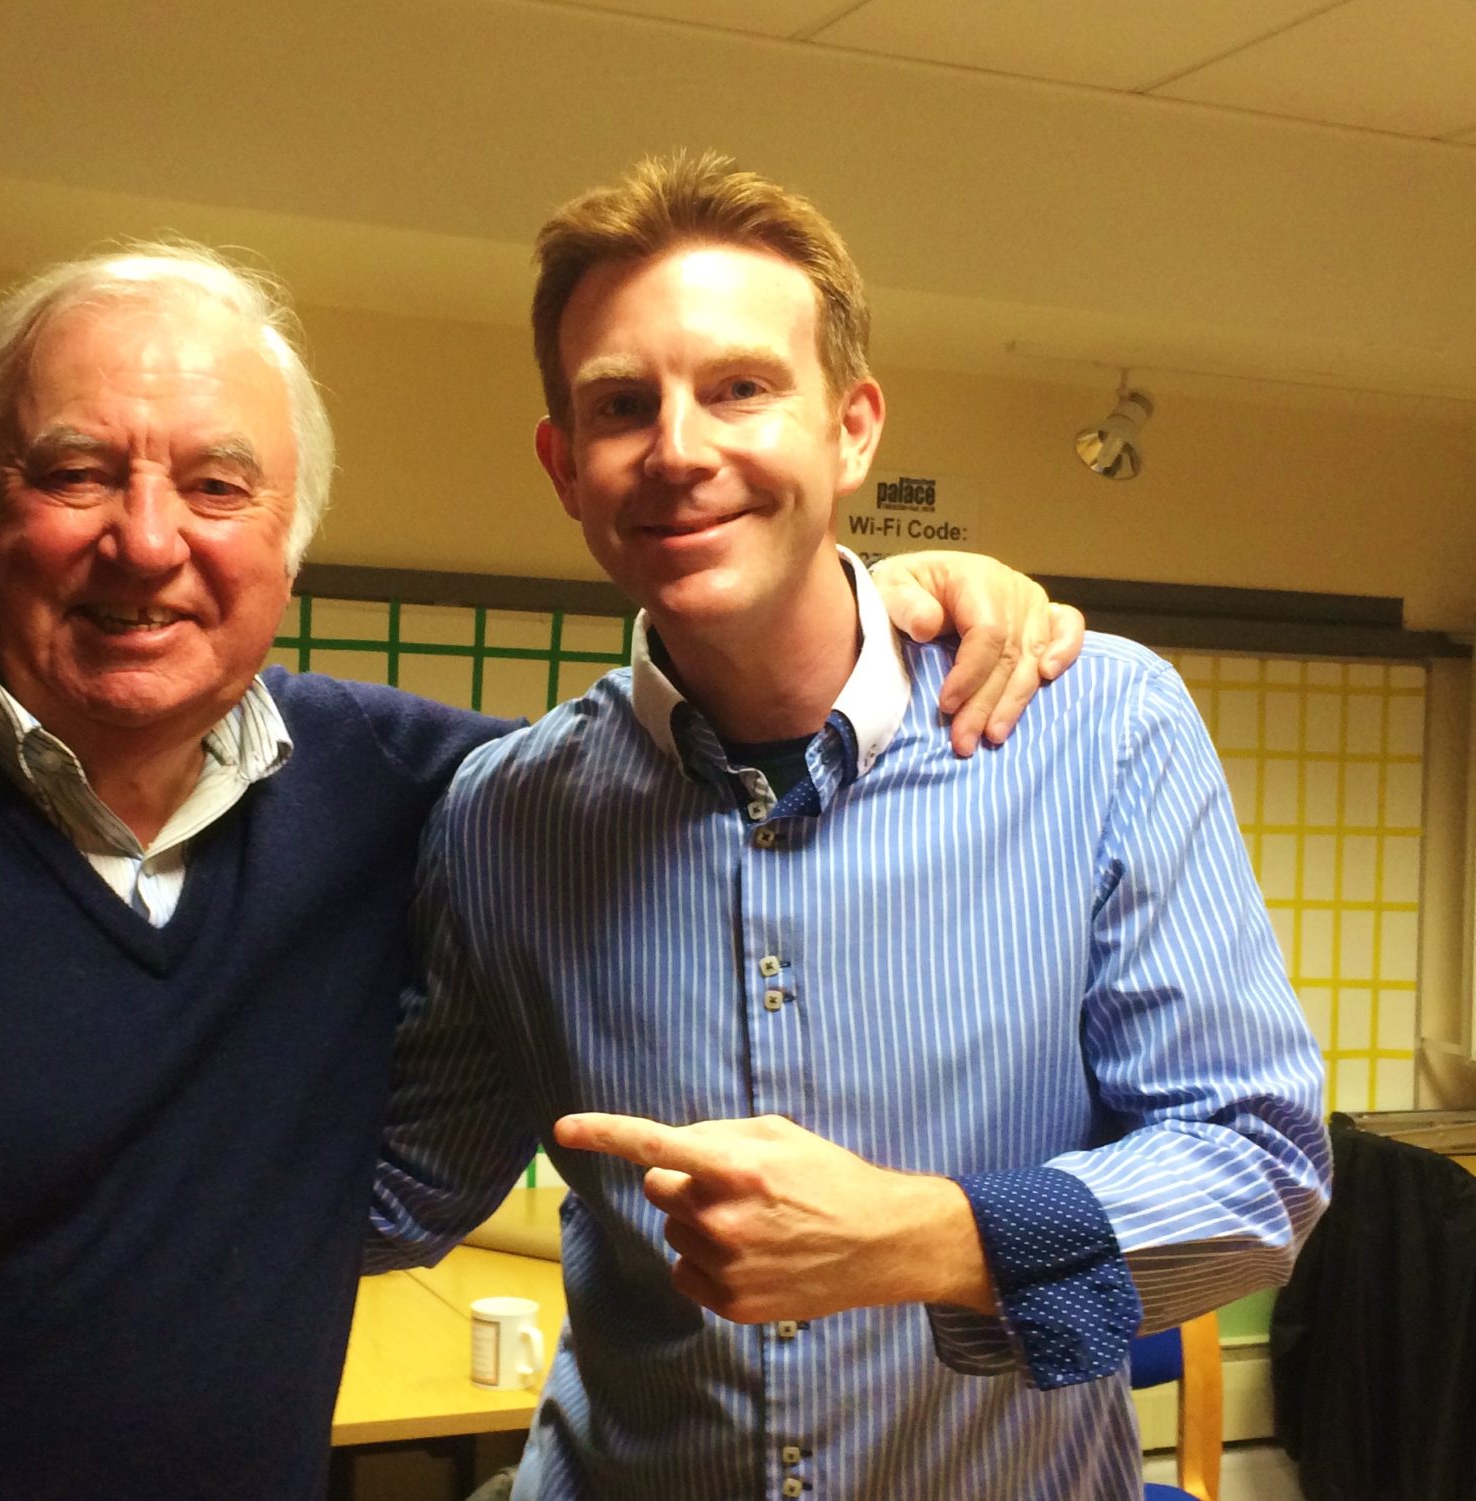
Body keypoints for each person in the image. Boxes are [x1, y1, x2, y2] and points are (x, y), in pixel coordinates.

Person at [0, 242, 1076, 1500]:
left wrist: (890, 601)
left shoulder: (421, 796)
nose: (149, 539)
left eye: (218, 486)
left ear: (288, 541)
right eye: (78, 470)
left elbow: (695, 748)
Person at [368, 154, 1332, 1501]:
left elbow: (1258, 1169)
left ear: (854, 428)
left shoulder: (1097, 731)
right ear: (565, 466)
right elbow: (400, 1188)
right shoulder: (505, 818)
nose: (680, 448)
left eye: (741, 387)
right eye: (622, 405)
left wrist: (918, 1236)